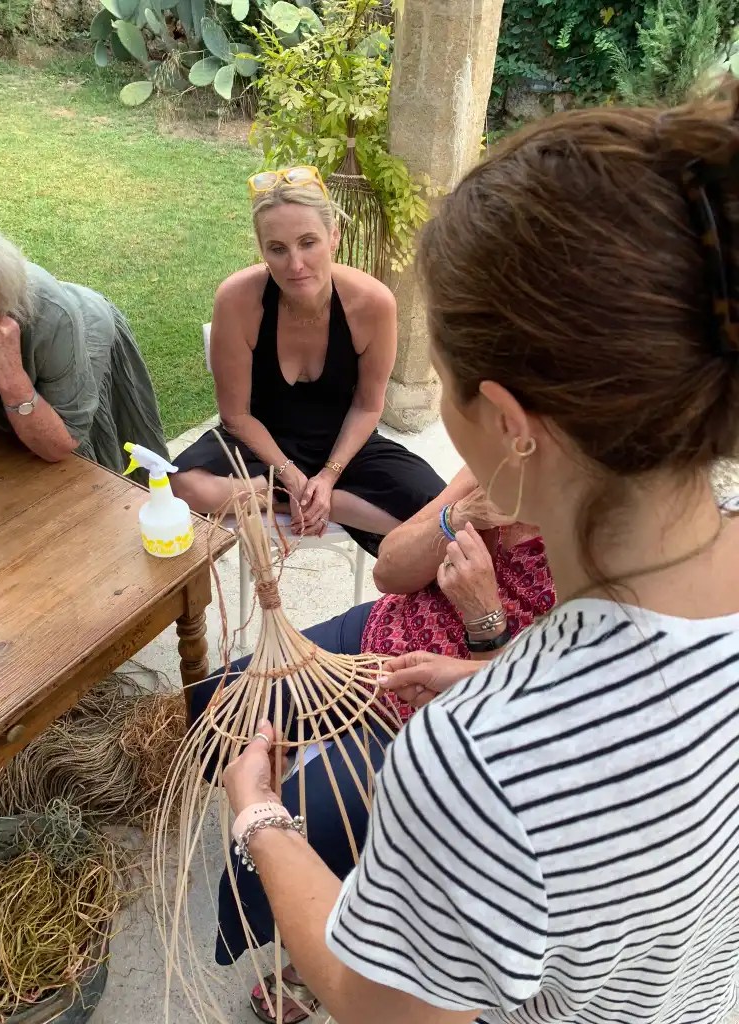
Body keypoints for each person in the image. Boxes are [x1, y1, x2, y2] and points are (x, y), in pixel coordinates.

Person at [221, 84, 739, 1024]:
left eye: (450, 375)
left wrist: (260, 815)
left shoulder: (483, 760)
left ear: (506, 421)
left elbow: (374, 1004)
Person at [189, 466, 555, 1022]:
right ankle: (250, 795)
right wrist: (457, 517)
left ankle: (321, 950)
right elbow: (388, 570)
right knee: (223, 696)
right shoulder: (495, 464)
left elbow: (544, 698)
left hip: (439, 708)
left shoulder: (600, 539)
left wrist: (484, 620)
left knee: (308, 817)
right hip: (372, 640)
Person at [171, 166, 445, 554]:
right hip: (260, 441)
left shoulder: (372, 303)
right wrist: (292, 478)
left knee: (442, 512)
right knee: (182, 484)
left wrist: (328, 476)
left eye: (308, 242)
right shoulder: (236, 299)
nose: (295, 264)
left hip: (342, 442)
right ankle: (295, 499)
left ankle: (315, 501)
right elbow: (236, 415)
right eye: (278, 249)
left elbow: (368, 406)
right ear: (261, 249)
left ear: (334, 236)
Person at [0, 212, 167, 472]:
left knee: (87, 475)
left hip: (82, 335)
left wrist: (10, 378)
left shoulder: (50, 316)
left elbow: (62, 444)